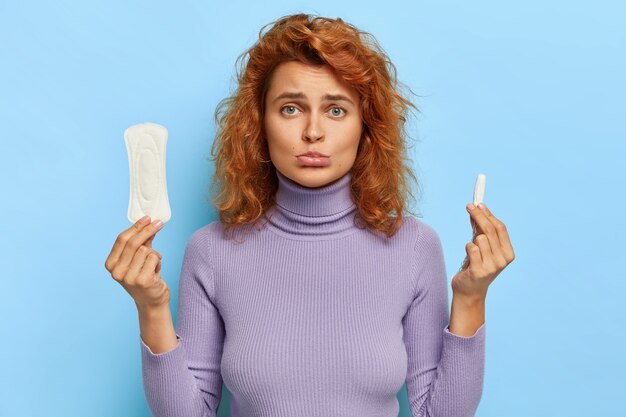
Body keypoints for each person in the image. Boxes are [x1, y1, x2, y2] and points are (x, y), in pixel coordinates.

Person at [104, 13, 515, 417]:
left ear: (365, 127)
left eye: (336, 110)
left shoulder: (415, 246)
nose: (313, 131)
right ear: (258, 125)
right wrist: (152, 309)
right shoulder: (210, 251)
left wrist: (471, 296)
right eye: (290, 109)